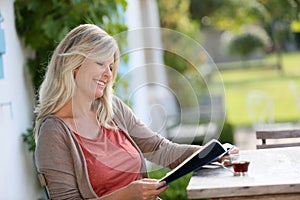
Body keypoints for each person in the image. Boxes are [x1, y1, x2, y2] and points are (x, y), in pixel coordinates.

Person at [34, 24, 238, 200]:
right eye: (100, 63)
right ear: (74, 65)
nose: (108, 74)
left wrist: (210, 154)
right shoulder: (54, 132)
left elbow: (160, 149)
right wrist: (125, 196)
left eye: (111, 66)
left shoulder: (112, 109)